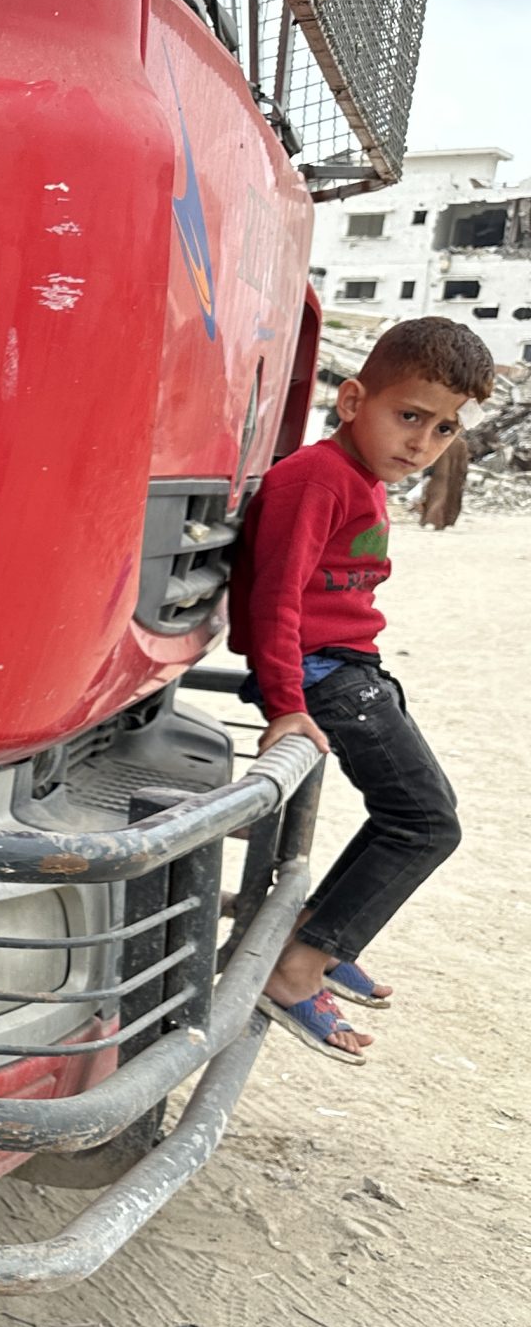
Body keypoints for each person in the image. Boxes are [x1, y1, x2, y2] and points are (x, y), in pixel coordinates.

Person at [232, 316, 489, 1061]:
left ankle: (314, 936)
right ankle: (294, 970)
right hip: (324, 671)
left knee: (410, 812)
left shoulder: (360, 478)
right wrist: (286, 704)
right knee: (426, 823)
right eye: (409, 416)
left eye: (443, 429)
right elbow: (275, 596)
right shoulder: (316, 478)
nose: (423, 443)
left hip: (351, 666)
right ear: (352, 402)